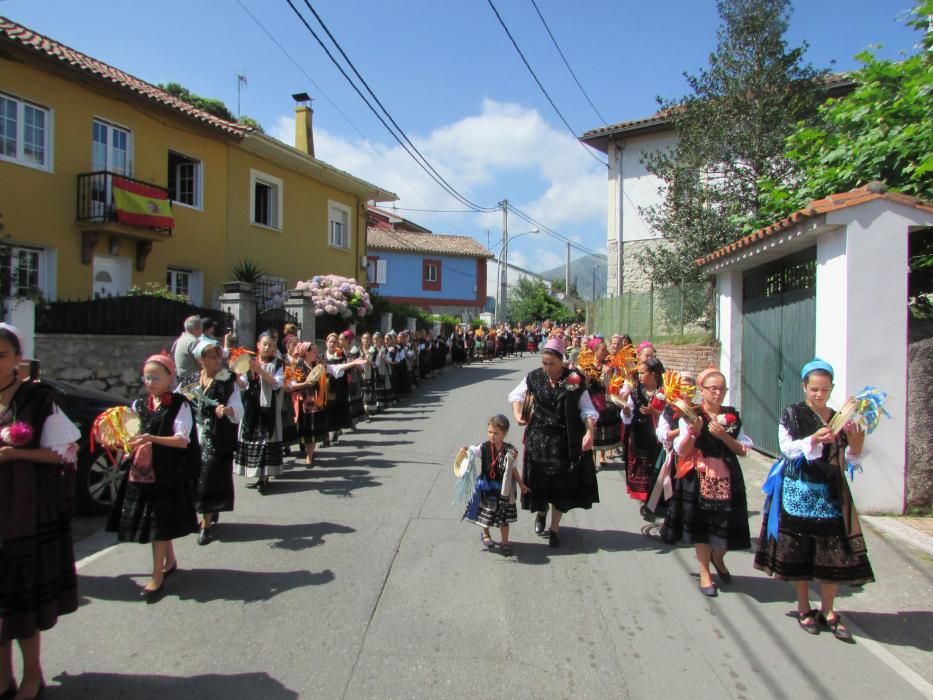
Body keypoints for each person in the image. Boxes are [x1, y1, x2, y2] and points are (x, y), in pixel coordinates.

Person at [754, 359, 871, 641]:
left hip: (830, 492)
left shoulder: (840, 418)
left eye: (825, 390)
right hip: (799, 489)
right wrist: (814, 440)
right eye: (814, 389)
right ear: (805, 387)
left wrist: (856, 448)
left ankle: (829, 610)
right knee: (799, 551)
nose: (819, 395)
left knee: (834, 553)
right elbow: (787, 449)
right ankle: (804, 606)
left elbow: (848, 461)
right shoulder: (793, 415)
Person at [0, 324, 81, 700]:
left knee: (21, 597)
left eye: (2, 355)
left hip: (20, 507)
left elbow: (65, 451)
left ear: (19, 358)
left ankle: (32, 673)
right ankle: (3, 677)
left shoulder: (37, 399)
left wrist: (18, 453)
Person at [107, 352, 200, 601]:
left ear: (170, 377)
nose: (151, 382)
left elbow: (182, 440)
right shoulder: (139, 404)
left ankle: (157, 575)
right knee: (157, 522)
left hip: (168, 472)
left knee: (158, 525)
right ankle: (169, 562)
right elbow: (130, 435)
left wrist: (152, 439)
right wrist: (119, 442)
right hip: (143, 472)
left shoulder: (180, 404)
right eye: (147, 377)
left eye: (156, 377)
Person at [661, 368, 752, 597]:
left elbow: (742, 450)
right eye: (713, 389)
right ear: (702, 390)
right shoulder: (692, 414)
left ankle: (718, 558)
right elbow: (682, 450)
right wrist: (694, 432)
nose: (718, 393)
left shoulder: (732, 417)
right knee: (702, 527)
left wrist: (723, 435)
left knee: (725, 525)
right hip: (698, 475)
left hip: (726, 473)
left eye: (722, 388)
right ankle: (704, 573)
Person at [508, 336, 599, 548]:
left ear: (562, 361)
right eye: (544, 363)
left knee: (561, 486)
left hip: (564, 440)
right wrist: (518, 414)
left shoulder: (573, 380)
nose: (547, 367)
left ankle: (555, 528)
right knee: (539, 485)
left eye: (552, 363)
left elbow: (587, 409)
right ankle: (541, 513)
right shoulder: (534, 377)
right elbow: (516, 395)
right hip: (537, 440)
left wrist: (589, 431)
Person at [186, 341, 242, 546]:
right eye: (210, 356)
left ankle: (206, 525)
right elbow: (178, 399)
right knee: (195, 476)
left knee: (209, 477)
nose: (215, 360)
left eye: (217, 356)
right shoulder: (191, 380)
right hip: (194, 434)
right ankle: (206, 512)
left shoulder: (226, 379)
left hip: (216, 436)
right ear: (201, 359)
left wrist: (228, 410)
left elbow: (237, 405)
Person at [461, 415, 529, 556]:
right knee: (485, 515)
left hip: (503, 490)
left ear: (503, 434)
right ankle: (485, 533)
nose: (492, 435)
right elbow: (473, 451)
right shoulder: (484, 447)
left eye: (495, 433)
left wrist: (521, 484)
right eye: (490, 432)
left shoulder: (510, 450)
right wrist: (466, 450)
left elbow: (513, 469)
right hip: (487, 487)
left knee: (503, 518)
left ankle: (505, 542)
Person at [234, 332, 285, 494]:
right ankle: (256, 474)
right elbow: (244, 384)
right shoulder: (250, 362)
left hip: (268, 407)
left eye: (270, 345)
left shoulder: (278, 363)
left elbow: (277, 384)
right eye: (264, 344)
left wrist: (261, 371)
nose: (267, 347)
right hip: (252, 406)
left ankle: (265, 476)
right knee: (251, 439)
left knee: (267, 440)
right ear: (258, 345)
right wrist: (235, 376)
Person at [621, 358, 665, 509]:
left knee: (656, 467)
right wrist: (626, 411)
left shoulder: (665, 392)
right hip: (639, 434)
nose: (639, 376)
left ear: (653, 374)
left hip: (658, 436)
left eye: (642, 373)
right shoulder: (635, 391)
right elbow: (628, 416)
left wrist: (654, 412)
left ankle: (656, 499)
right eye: (638, 373)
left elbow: (672, 415)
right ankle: (643, 500)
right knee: (642, 467)